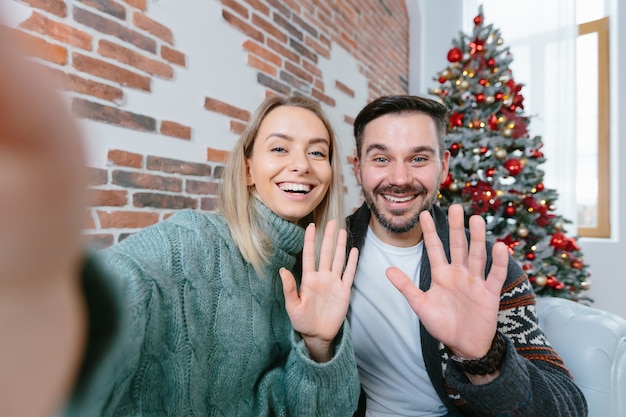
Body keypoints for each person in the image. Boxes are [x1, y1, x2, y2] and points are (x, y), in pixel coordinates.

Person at [0, 31, 361, 417]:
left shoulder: (321, 275)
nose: (301, 164)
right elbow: (116, 287)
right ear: (249, 168)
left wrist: (319, 345)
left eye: (317, 152)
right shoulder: (191, 243)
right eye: (279, 147)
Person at [346, 95, 588, 417]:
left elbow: (567, 408)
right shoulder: (323, 255)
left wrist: (484, 358)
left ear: (444, 166)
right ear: (358, 168)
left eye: (418, 159)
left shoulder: (486, 268)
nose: (400, 179)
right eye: (380, 159)